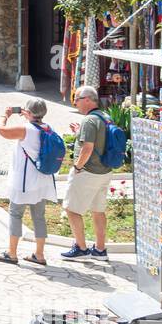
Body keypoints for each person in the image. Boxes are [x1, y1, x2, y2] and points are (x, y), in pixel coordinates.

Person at [0, 98, 57, 266]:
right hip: (42, 180)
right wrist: (28, 115)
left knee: (15, 214)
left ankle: (12, 253)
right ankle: (39, 254)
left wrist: (5, 115)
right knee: (39, 217)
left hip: (24, 181)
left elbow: (1, 130)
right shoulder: (47, 128)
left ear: (27, 113)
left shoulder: (25, 129)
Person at [61, 85, 111, 261]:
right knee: (98, 211)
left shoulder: (89, 121)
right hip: (104, 172)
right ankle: (100, 249)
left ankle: (81, 248)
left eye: (77, 99)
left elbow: (88, 148)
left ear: (88, 99)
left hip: (88, 172)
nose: (75, 103)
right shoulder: (105, 117)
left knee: (71, 209)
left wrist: (77, 167)